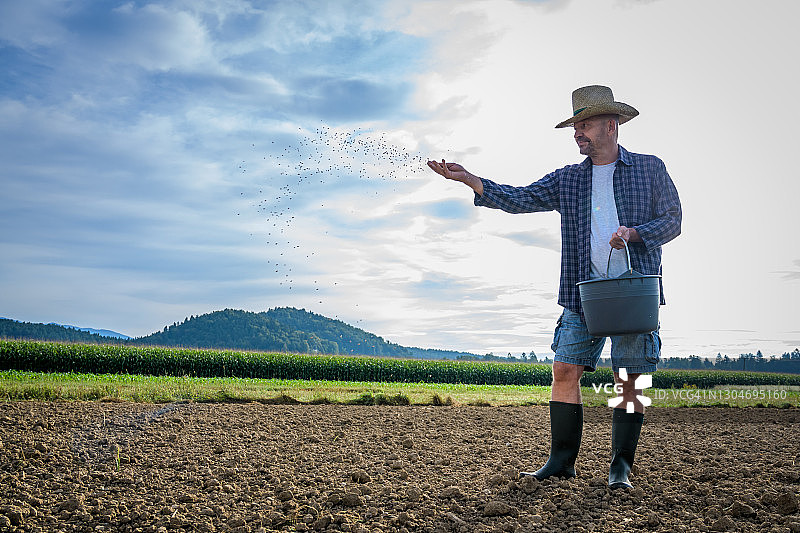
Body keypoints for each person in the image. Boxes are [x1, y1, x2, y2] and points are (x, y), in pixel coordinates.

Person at [427, 85, 681, 489]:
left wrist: (634, 234)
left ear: (611, 125)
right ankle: (562, 461)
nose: (577, 132)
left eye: (584, 124)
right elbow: (520, 197)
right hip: (585, 294)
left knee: (629, 378)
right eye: (575, 125)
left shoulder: (650, 169)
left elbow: (673, 220)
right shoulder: (569, 179)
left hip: (634, 292)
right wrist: (471, 180)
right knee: (564, 368)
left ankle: (621, 467)